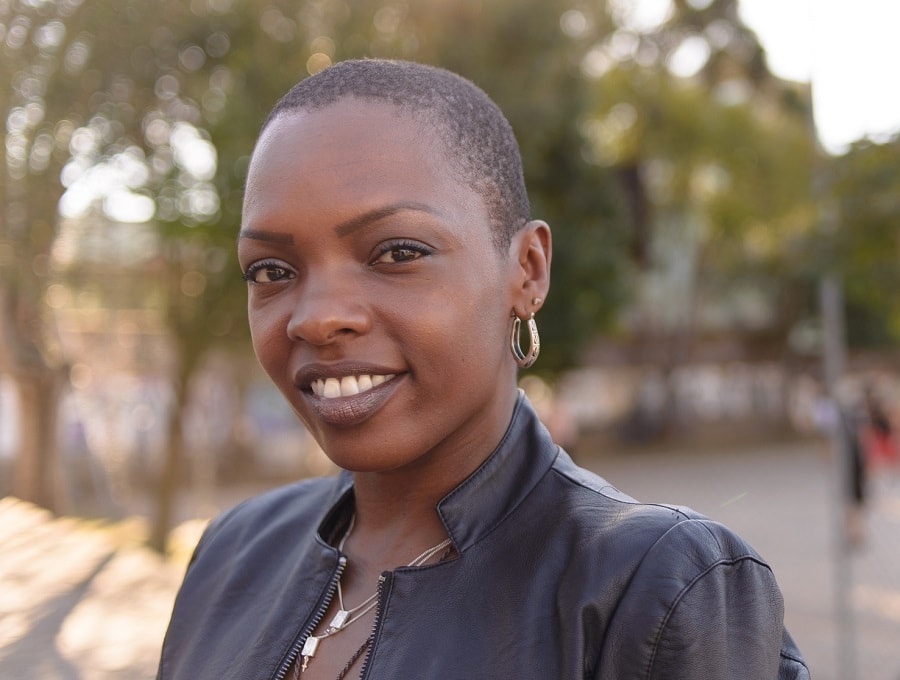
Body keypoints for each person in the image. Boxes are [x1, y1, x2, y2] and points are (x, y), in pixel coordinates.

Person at [157, 59, 809, 679]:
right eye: (272, 271)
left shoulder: (654, 586)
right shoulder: (235, 552)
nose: (317, 318)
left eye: (396, 252)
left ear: (526, 270)